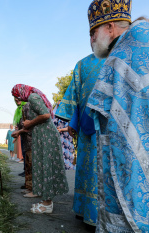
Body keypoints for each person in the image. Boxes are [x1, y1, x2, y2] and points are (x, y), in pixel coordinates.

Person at [86, 0, 149, 231]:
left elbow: (101, 112)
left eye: (94, 33)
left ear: (110, 27)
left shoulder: (121, 54)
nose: (92, 40)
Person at [55, 54, 104, 226]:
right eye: (91, 34)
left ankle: (104, 217)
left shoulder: (124, 52)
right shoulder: (83, 64)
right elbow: (76, 95)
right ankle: (85, 210)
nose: (93, 38)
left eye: (95, 32)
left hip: (112, 125)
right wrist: (74, 121)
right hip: (86, 126)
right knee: (87, 168)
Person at [11, 84, 68, 214]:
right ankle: (46, 200)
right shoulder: (32, 97)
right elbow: (36, 120)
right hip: (42, 135)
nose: (17, 98)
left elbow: (46, 115)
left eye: (16, 95)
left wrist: (29, 123)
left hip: (46, 135)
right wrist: (21, 130)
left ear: (20, 92)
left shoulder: (32, 97)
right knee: (43, 167)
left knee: (46, 166)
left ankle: (47, 204)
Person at [11, 97, 34, 197]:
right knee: (27, 165)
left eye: (18, 96)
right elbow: (21, 126)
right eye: (15, 98)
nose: (16, 99)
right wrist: (17, 136)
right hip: (25, 141)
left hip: (31, 140)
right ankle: (29, 187)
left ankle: (34, 189)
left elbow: (29, 126)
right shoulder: (19, 110)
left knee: (32, 165)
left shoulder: (27, 106)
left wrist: (19, 132)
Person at [53, 101, 75, 170]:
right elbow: (53, 125)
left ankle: (68, 167)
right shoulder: (56, 116)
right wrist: (55, 128)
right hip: (59, 138)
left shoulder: (69, 115)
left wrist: (61, 130)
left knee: (67, 153)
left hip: (67, 137)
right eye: (58, 105)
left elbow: (72, 127)